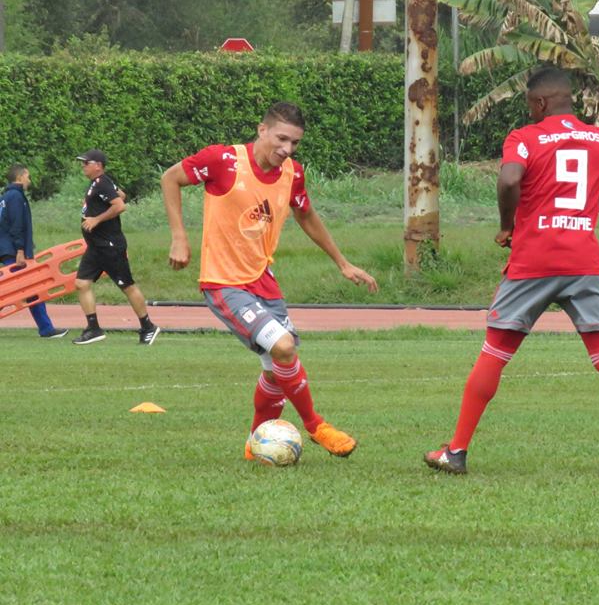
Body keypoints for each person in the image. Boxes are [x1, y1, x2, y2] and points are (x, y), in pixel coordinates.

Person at [424, 67, 599, 476]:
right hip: (583, 260)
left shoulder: (525, 138)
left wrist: (507, 225)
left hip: (534, 260)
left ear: (540, 102)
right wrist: (595, 207)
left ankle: (455, 451)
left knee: (495, 352)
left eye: (531, 105)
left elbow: (510, 179)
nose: (530, 112)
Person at [161, 102, 379, 461]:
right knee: (283, 347)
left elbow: (305, 213)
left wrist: (342, 262)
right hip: (223, 282)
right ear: (262, 130)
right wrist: (179, 237)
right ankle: (315, 425)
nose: (287, 149)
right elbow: (170, 178)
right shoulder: (224, 161)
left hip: (264, 280)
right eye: (281, 139)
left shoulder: (292, 172)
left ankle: (254, 446)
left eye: (294, 143)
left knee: (277, 371)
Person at [73, 150, 160, 346]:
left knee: (126, 285)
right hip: (96, 247)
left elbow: (120, 205)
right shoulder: (99, 183)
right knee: (81, 284)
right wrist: (92, 205)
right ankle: (93, 328)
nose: (83, 166)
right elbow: (121, 194)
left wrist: (96, 218)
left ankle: (148, 327)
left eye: (86, 162)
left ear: (98, 165)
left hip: (110, 246)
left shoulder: (102, 181)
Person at [0, 164, 68, 338]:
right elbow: (17, 226)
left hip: (8, 248)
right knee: (19, 289)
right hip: (14, 250)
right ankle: (46, 329)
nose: (29, 180)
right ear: (20, 177)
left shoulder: (7, 196)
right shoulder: (16, 196)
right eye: (28, 176)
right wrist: (21, 250)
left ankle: (46, 328)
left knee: (27, 290)